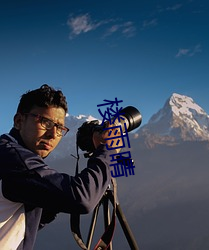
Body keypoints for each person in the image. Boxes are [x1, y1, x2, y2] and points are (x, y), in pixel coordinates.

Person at [0, 84, 119, 250]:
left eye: (60, 128)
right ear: (19, 121)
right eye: (45, 122)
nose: (53, 134)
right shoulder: (15, 159)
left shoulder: (8, 152)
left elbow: (23, 223)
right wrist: (108, 149)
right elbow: (83, 199)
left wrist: (55, 197)